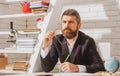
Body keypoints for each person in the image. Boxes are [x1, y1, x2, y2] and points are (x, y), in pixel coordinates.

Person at [40, 9, 105, 73]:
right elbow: (47, 68)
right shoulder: (57, 40)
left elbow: (100, 67)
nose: (66, 26)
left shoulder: (88, 41)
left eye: (71, 22)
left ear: (79, 25)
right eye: (64, 22)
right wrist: (45, 46)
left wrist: (77, 68)